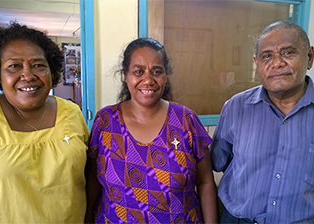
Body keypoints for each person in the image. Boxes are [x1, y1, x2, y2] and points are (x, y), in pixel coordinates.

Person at [0, 22, 89, 223]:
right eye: (14, 66)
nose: (28, 76)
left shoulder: (72, 113)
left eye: (38, 65)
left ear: (51, 70)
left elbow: (86, 180)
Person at [210, 20, 314, 223]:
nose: (276, 63)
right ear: (257, 63)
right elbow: (221, 161)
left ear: (309, 57)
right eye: (267, 56)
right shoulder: (236, 107)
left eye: (288, 53)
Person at [85, 38, 219, 224]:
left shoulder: (186, 121)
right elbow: (92, 182)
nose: (148, 80)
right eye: (138, 71)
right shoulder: (105, 121)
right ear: (126, 75)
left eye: (156, 71)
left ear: (165, 76)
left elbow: (205, 182)